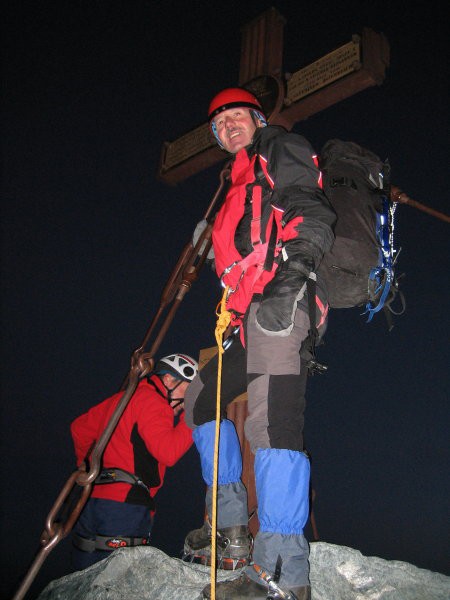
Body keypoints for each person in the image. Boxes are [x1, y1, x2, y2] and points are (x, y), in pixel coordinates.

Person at [182, 88, 336, 600]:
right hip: (249, 318)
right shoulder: (234, 182)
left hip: (283, 303)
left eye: (235, 117)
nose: (227, 127)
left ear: (257, 118)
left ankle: (281, 569)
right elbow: (244, 249)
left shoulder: (280, 149)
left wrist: (293, 276)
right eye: (219, 124)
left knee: (272, 421)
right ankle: (229, 530)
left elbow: (308, 208)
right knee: (201, 398)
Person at [70, 353, 198, 570]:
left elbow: (80, 428)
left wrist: (87, 466)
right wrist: (195, 415)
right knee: (119, 586)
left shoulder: (122, 398)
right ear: (169, 380)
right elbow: (168, 452)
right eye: (189, 391)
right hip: (124, 508)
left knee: (86, 582)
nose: (186, 403)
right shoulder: (154, 401)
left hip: (91, 503)